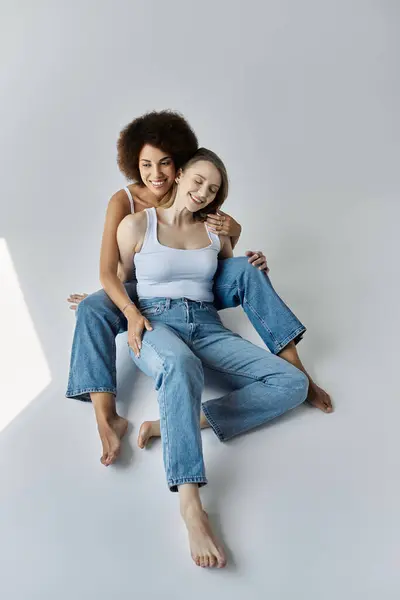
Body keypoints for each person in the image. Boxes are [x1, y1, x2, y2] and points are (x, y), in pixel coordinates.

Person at [66, 110, 332, 467]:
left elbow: (216, 251)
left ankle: (297, 370)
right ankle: (106, 414)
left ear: (179, 166)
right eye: (146, 165)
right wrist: (117, 303)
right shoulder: (126, 204)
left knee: (245, 269)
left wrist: (235, 232)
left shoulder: (197, 194)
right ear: (134, 164)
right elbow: (114, 269)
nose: (156, 174)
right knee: (93, 308)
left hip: (198, 290)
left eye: (165, 163)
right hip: (143, 287)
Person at [114, 148, 310, 568]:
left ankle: (170, 423)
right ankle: (191, 506)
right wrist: (103, 304)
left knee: (294, 385)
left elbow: (230, 276)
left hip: (206, 324)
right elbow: (121, 279)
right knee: (182, 367)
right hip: (155, 324)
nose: (203, 192)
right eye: (198, 180)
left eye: (213, 189)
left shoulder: (214, 235)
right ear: (181, 175)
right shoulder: (137, 225)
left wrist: (253, 262)